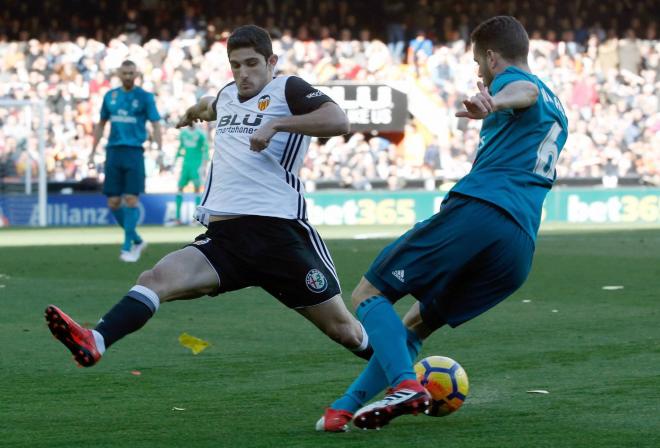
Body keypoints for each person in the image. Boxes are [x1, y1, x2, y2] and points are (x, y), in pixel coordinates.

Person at [45, 25, 373, 373]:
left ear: (271, 61)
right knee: (154, 279)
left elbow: (339, 120)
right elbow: (211, 105)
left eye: (252, 64)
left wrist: (276, 125)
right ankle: (95, 340)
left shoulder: (288, 88)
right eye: (236, 65)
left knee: (345, 331)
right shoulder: (229, 94)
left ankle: (408, 379)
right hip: (226, 241)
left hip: (278, 236)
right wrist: (192, 112)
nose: (243, 73)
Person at [316, 15, 568, 432]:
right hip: (519, 248)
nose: (478, 72)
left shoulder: (515, 84)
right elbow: (531, 98)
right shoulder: (557, 105)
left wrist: (495, 101)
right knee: (416, 324)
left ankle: (404, 384)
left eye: (477, 63)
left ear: (491, 56)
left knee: (368, 292)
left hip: (482, 211)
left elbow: (523, 91)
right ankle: (344, 408)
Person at [89, 60, 162, 262]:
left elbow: (156, 124)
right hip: (113, 152)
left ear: (136, 73)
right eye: (125, 73)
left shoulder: (145, 97)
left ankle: (127, 247)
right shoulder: (110, 96)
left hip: (134, 152)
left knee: (131, 199)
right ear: (119, 74)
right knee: (113, 202)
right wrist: (92, 151)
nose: (128, 76)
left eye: (131, 73)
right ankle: (137, 239)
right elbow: (101, 124)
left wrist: (160, 149)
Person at [171, 124, 209, 225]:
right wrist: (175, 161)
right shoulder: (183, 133)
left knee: (197, 189)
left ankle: (196, 218)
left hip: (196, 165)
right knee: (179, 188)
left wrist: (204, 166)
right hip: (185, 165)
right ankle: (177, 218)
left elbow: (206, 149)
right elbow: (180, 148)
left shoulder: (201, 134)